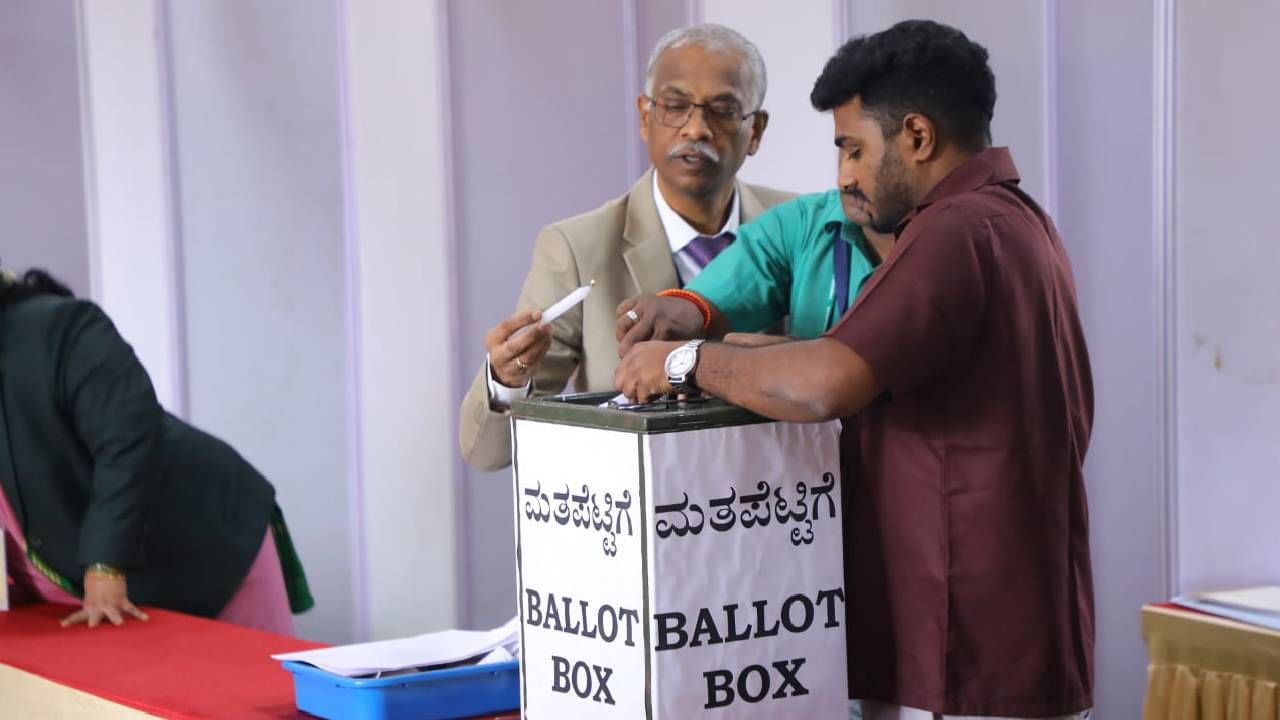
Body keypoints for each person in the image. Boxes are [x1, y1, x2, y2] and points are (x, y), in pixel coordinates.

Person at [614, 20, 1094, 720]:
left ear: (918, 138)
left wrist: (683, 362)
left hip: (973, 643)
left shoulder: (954, 231)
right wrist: (726, 342)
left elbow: (826, 383)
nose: (843, 175)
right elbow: (862, 359)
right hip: (1000, 621)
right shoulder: (1017, 221)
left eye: (854, 149)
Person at [458, 23, 793, 471]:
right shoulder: (577, 247)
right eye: (675, 106)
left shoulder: (797, 228)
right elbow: (488, 452)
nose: (697, 128)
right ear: (644, 116)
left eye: (723, 109)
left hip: (774, 503)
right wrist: (506, 380)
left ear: (756, 131)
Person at [0, 266, 312, 632]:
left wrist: (105, 564)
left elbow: (128, 438)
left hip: (197, 546)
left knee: (254, 685)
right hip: (65, 602)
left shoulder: (57, 329)